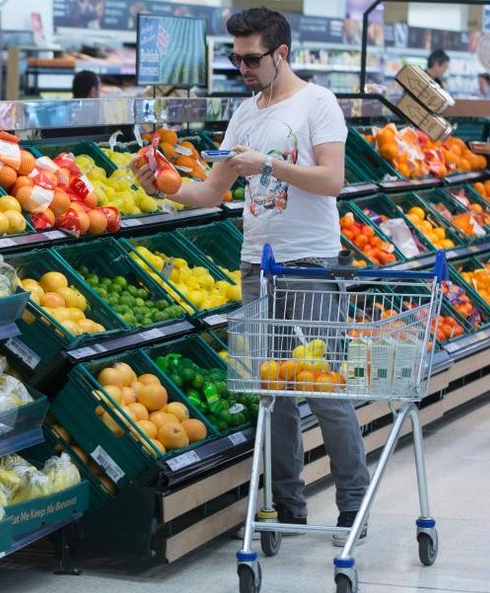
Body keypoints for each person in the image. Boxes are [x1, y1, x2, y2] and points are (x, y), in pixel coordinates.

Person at [130, 7, 370, 547]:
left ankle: (353, 503)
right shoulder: (243, 113)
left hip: (310, 264)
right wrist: (161, 188)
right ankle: (288, 506)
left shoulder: (318, 103)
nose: (242, 66)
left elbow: (333, 180)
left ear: (281, 53)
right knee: (273, 391)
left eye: (252, 58)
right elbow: (211, 192)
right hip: (254, 265)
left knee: (326, 389)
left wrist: (269, 165)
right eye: (235, 58)